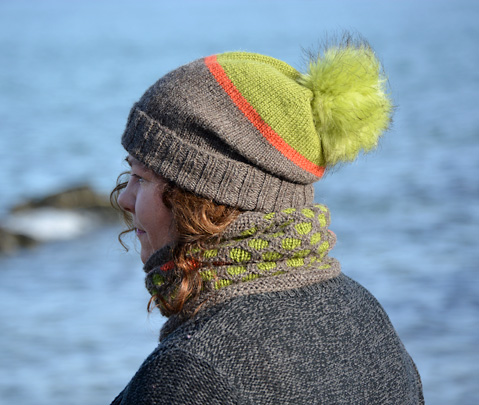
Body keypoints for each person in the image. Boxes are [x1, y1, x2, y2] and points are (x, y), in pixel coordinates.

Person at [110, 34, 424, 404]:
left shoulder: (190, 373)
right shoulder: (365, 315)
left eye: (143, 178)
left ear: (201, 198)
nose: (126, 199)